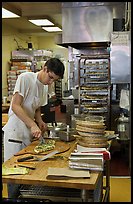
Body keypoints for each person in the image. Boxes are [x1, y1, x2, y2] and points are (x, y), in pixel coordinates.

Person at [2, 57, 65, 162]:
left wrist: (39, 121)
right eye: (50, 77)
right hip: (15, 134)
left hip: (28, 134)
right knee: (12, 168)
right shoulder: (25, 78)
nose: (51, 82)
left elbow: (37, 108)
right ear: (45, 69)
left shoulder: (45, 86)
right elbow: (15, 106)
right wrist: (33, 124)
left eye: (54, 80)